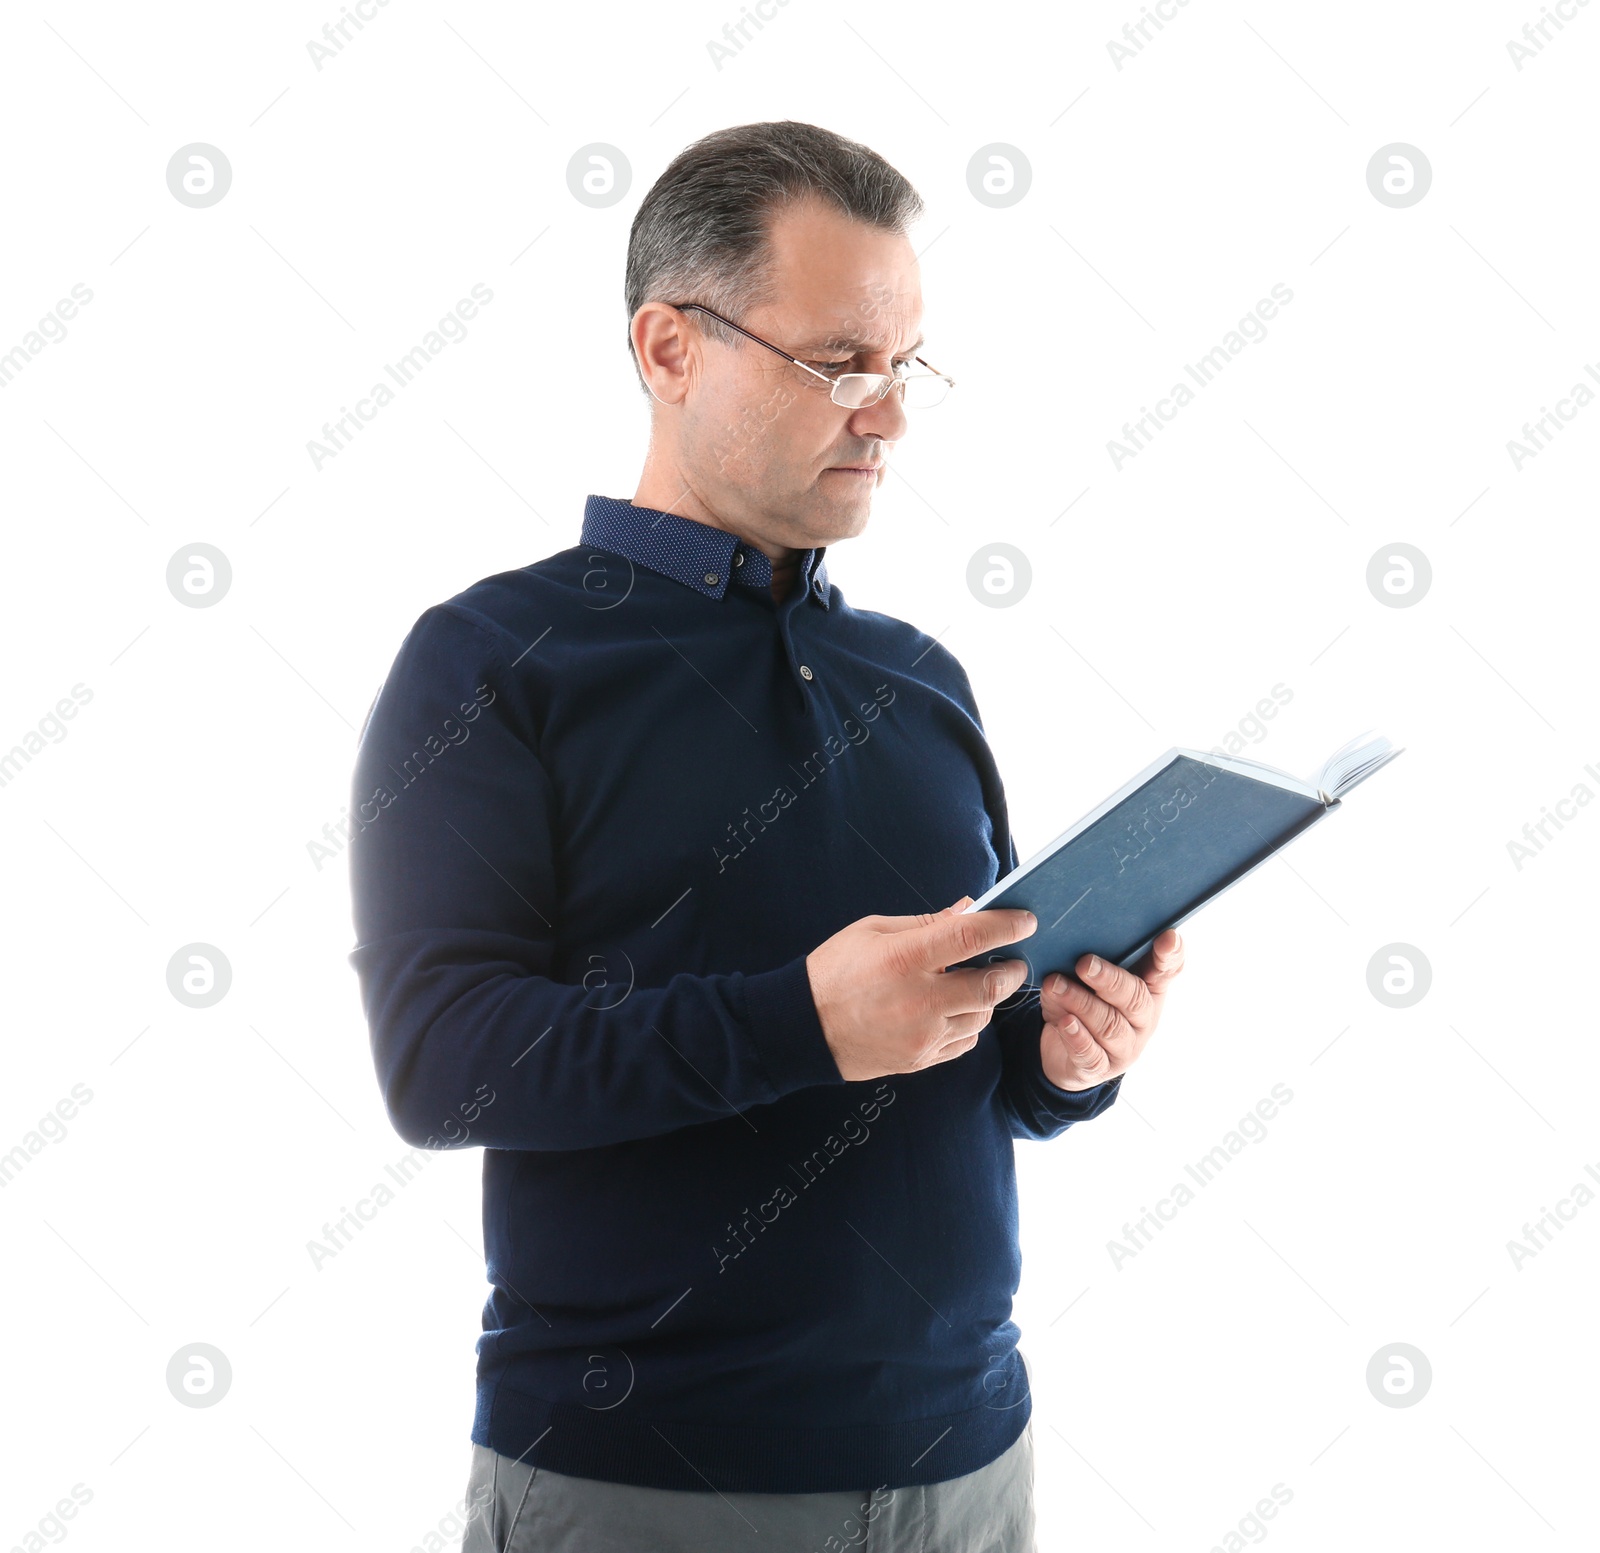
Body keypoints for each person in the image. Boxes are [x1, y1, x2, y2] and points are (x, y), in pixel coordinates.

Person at [347, 119, 1184, 1553]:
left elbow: (954, 1057)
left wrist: (1058, 1059)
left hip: (973, 1466)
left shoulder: (921, 677)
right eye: (841, 363)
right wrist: (803, 1020)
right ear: (669, 347)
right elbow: (443, 1064)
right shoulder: (493, 662)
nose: (891, 414)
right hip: (654, 1487)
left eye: (906, 364)